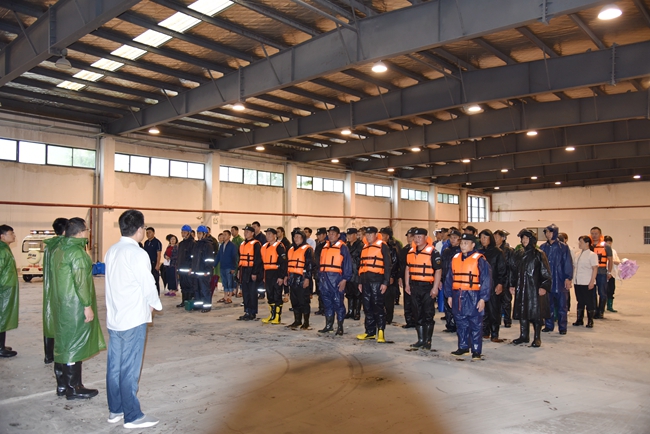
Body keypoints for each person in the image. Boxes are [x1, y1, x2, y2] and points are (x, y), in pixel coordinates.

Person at [104, 209, 162, 428]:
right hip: (133, 318)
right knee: (129, 368)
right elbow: (148, 283)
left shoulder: (112, 250)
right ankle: (132, 416)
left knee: (115, 366)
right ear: (139, 229)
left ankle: (116, 409)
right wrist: (154, 304)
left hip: (116, 317)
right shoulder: (137, 253)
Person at [51, 217, 106, 399]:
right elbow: (81, 283)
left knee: (64, 341)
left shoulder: (58, 249)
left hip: (62, 303)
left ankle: (62, 385)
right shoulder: (77, 253)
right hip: (75, 305)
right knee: (74, 343)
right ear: (81, 232)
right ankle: (74, 387)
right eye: (87, 230)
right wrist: (87, 305)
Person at [444, 233, 492, 359]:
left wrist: (483, 298)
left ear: (473, 245)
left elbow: (486, 280)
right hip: (458, 295)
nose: (463, 245)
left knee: (475, 324)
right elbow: (449, 278)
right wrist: (449, 295)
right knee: (461, 323)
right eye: (461, 243)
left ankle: (476, 350)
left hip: (473, 295)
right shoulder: (455, 258)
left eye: (466, 243)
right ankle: (463, 347)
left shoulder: (480, 260)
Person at [509, 229, 552, 348]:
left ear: (532, 239)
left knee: (536, 314)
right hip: (521, 287)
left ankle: (537, 337)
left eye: (526, 238)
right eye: (522, 238)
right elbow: (513, 270)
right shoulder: (518, 253)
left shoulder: (539, 254)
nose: (524, 240)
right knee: (522, 312)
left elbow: (545, 271)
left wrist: (544, 286)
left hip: (534, 288)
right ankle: (524, 335)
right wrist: (512, 285)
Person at [405, 228, 442, 350]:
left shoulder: (433, 252)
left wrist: (435, 288)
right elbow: (407, 268)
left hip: (427, 287)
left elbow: (438, 270)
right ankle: (420, 340)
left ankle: (428, 340)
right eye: (415, 237)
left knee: (428, 314)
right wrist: (407, 284)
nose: (417, 239)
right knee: (417, 313)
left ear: (426, 238)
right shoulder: (411, 252)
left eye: (419, 237)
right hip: (414, 287)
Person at [356, 227, 392, 343]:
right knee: (367, 307)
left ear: (376, 234)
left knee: (378, 306)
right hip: (365, 282)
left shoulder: (382, 246)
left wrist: (385, 282)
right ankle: (370, 332)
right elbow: (361, 265)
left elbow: (387, 265)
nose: (368, 236)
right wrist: (360, 282)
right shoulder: (365, 247)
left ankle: (381, 331)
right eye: (367, 234)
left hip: (377, 281)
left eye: (370, 234)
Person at [318, 226, 352, 336]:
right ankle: (329, 325)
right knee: (327, 303)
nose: (331, 235)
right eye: (330, 233)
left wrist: (345, 279)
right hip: (324, 279)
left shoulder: (343, 247)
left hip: (336, 279)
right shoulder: (325, 246)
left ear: (338, 235)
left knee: (338, 303)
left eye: (333, 233)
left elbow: (347, 264)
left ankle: (340, 326)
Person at [42, 217, 68, 365]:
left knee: (49, 321)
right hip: (61, 288)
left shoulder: (49, 245)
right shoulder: (63, 246)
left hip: (50, 287)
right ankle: (60, 355)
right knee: (61, 322)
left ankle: (48, 355)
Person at [540, 224, 574, 335]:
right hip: (547, 281)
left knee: (562, 306)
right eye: (546, 232)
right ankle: (549, 325)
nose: (548, 234)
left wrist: (568, 278)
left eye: (550, 232)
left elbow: (568, 262)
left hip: (560, 280)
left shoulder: (563, 247)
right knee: (548, 305)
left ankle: (562, 327)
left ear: (555, 233)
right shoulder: (543, 247)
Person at [477, 229, 507, 343]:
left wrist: (500, 284)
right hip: (481, 285)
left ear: (490, 238)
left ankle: (494, 333)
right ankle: (485, 332)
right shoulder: (479, 253)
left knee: (494, 310)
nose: (483, 240)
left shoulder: (498, 252)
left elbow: (502, 269)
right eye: (481, 237)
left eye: (485, 237)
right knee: (483, 310)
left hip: (493, 284)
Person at [285, 229, 314, 330]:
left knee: (304, 301)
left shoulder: (307, 249)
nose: (296, 238)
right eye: (294, 237)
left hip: (302, 278)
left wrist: (307, 279)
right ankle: (297, 320)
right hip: (292, 278)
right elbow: (288, 264)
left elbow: (310, 265)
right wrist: (286, 276)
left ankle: (306, 322)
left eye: (298, 236)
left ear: (303, 238)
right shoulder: (291, 249)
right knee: (294, 301)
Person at [260, 228, 288, 324]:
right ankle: (271, 315)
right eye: (266, 234)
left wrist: (281, 276)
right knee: (270, 295)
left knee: (277, 295)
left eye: (270, 234)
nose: (267, 236)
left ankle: (277, 316)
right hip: (267, 273)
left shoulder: (279, 246)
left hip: (276, 273)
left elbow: (283, 263)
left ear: (275, 236)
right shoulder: (264, 247)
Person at [0, 224, 19, 358]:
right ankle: (0, 348)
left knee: (3, 317)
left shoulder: (5, 249)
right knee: (1, 318)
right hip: (3, 289)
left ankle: (1, 345)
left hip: (5, 288)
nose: (14, 236)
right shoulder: (2, 251)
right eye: (11, 233)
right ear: (2, 236)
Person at [572, 236, 599, 328]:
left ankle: (590, 320)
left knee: (589, 302)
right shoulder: (577, 254)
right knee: (580, 301)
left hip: (587, 281)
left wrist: (592, 281)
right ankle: (579, 319)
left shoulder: (592, 255)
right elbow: (574, 267)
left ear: (587, 243)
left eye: (581, 242)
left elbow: (595, 269)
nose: (579, 244)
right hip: (577, 281)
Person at [238, 225, 263, 320]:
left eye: (247, 232)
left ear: (252, 233)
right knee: (245, 292)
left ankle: (252, 312)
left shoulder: (256, 244)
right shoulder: (242, 244)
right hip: (244, 270)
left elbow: (258, 260)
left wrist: (255, 273)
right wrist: (238, 271)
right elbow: (239, 259)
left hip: (251, 270)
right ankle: (247, 311)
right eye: (245, 231)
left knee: (252, 293)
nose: (245, 233)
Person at [191, 226, 216, 313]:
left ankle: (207, 306)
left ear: (205, 234)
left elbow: (209, 260)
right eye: (197, 233)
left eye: (200, 233)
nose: (198, 235)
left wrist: (207, 271)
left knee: (205, 290)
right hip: (196, 271)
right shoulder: (197, 244)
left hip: (204, 272)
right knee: (197, 289)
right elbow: (194, 259)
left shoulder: (208, 245)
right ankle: (198, 305)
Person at [590, 226, 613, 319]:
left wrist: (609, 272)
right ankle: (594, 310)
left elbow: (610, 260)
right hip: (591, 272)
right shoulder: (589, 246)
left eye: (596, 233)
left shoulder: (606, 246)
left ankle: (601, 312)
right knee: (592, 292)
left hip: (602, 272)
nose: (594, 235)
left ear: (600, 234)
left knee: (602, 293)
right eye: (592, 233)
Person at [380, 226, 400, 324]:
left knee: (389, 298)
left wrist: (392, 276)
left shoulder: (392, 248)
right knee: (381, 298)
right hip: (380, 275)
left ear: (388, 236)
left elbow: (394, 263)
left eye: (383, 235)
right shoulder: (379, 246)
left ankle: (388, 317)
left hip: (390, 276)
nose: (381, 237)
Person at [494, 230, 513, 328]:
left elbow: (511, 266)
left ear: (502, 238)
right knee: (496, 301)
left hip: (506, 278)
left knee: (506, 301)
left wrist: (511, 281)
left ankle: (507, 320)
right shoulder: (493, 249)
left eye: (497, 237)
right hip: (496, 278)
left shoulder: (508, 250)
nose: (495, 239)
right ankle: (496, 320)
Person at [398, 228, 417, 329]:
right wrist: (400, 277)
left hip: (417, 279)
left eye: (411, 236)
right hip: (406, 278)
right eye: (408, 236)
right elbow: (401, 265)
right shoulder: (404, 250)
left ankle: (417, 320)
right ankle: (409, 320)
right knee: (407, 300)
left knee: (416, 301)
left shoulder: (420, 250)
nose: (409, 239)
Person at [344, 228, 363, 320]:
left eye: (351, 235)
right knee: (349, 293)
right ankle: (350, 311)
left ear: (356, 235)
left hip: (357, 272)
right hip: (348, 272)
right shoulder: (346, 245)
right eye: (348, 235)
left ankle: (357, 312)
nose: (349, 236)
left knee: (358, 293)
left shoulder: (361, 245)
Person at [215, 230, 238, 304]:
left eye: (225, 235)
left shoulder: (232, 246)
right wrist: (214, 265)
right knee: (224, 282)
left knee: (230, 282)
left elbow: (234, 257)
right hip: (222, 267)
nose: (223, 236)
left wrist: (233, 267)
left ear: (229, 236)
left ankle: (229, 297)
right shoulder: (222, 245)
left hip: (229, 267)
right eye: (223, 235)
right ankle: (225, 296)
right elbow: (218, 256)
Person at [176, 225, 195, 308]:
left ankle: (189, 302)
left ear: (189, 233)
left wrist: (191, 267)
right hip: (182, 269)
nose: (183, 234)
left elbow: (193, 257)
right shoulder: (181, 244)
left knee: (189, 286)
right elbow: (179, 257)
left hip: (188, 269)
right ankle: (184, 301)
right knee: (183, 286)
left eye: (184, 232)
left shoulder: (193, 244)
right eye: (182, 232)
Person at [604, 235, 621, 313]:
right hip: (604, 273)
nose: (608, 244)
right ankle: (601, 306)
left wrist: (614, 261)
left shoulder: (613, 251)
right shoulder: (602, 250)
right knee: (603, 291)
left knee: (611, 290)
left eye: (610, 243)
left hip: (612, 273)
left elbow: (617, 261)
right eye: (607, 243)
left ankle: (610, 306)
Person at [143, 227, 162, 295]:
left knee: (155, 279)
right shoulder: (146, 242)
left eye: (150, 232)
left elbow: (159, 254)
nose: (148, 234)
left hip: (154, 263)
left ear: (153, 233)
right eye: (147, 233)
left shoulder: (157, 242)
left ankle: (156, 294)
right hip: (147, 264)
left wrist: (157, 264)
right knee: (148, 279)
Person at [313, 227, 328, 316]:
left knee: (324, 291)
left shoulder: (327, 246)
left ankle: (325, 309)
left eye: (320, 235)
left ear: (324, 235)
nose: (318, 237)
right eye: (317, 235)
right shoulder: (318, 245)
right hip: (317, 271)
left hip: (324, 272)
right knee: (319, 291)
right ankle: (321, 308)